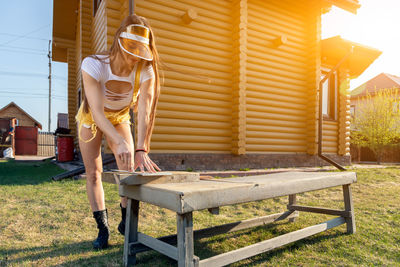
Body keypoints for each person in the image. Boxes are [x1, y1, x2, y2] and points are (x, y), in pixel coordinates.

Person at [75, 14, 161, 249]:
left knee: (128, 170)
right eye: (131, 48)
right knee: (94, 173)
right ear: (120, 42)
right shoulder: (93, 65)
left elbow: (143, 111)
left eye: (139, 50)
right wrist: (117, 141)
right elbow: (97, 111)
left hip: (121, 117)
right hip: (92, 119)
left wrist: (141, 148)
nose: (135, 56)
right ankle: (103, 230)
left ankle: (126, 223)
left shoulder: (146, 71)